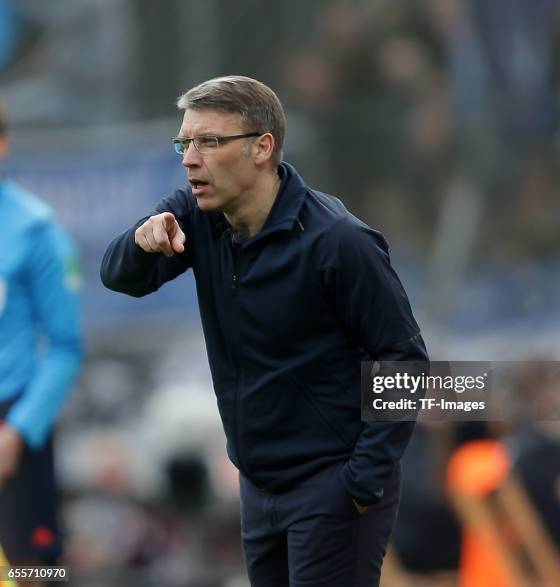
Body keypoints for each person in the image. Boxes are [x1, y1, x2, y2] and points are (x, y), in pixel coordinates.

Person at [100, 75, 428, 587]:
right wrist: (141, 244)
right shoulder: (195, 214)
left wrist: (360, 482)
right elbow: (119, 278)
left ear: (262, 147)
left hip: (332, 486)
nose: (190, 158)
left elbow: (408, 366)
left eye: (209, 141)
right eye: (184, 142)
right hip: (257, 489)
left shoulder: (339, 242)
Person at [0, 101, 84, 584]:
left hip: (14, 431)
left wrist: (18, 432)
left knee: (36, 574)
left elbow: (65, 346)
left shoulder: (35, 231)